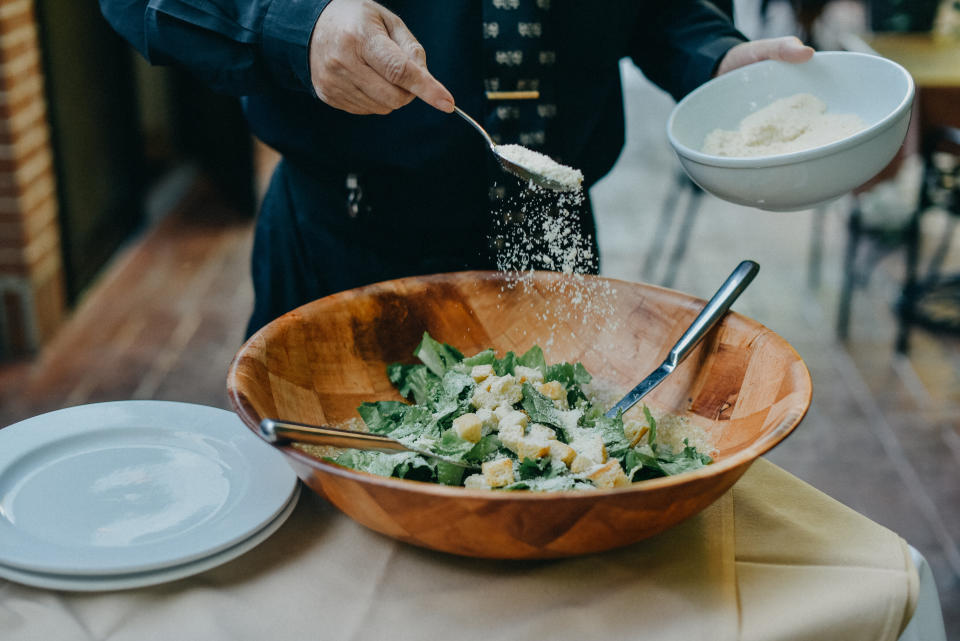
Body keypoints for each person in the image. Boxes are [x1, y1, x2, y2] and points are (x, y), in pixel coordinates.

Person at [99, 0, 813, 336]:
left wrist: (712, 55)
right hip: (348, 248)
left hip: (551, 237)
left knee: (550, 510)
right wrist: (295, 26)